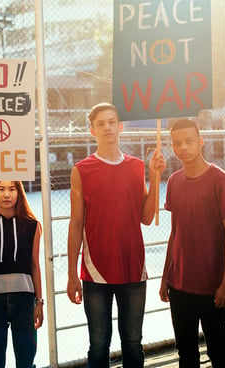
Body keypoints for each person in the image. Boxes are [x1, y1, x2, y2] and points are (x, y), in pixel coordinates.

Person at [66, 102, 166, 367]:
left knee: (133, 342)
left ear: (121, 127)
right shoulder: (81, 170)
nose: (107, 127)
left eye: (112, 121)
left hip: (132, 268)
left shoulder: (136, 167)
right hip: (95, 271)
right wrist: (70, 273)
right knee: (98, 345)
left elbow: (146, 217)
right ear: (92, 130)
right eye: (101, 123)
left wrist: (155, 177)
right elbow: (76, 224)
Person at [158, 118, 225, 367]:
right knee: (186, 354)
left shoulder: (220, 180)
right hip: (179, 285)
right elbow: (175, 233)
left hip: (212, 287)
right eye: (177, 143)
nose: (184, 147)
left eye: (189, 141)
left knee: (218, 352)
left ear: (201, 142)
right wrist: (165, 278)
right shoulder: (173, 182)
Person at [0, 180, 43, 368]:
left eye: (12, 189)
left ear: (19, 192)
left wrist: (39, 302)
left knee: (26, 361)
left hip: (24, 301)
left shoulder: (33, 226)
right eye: (1, 189)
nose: (6, 194)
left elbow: (35, 266)